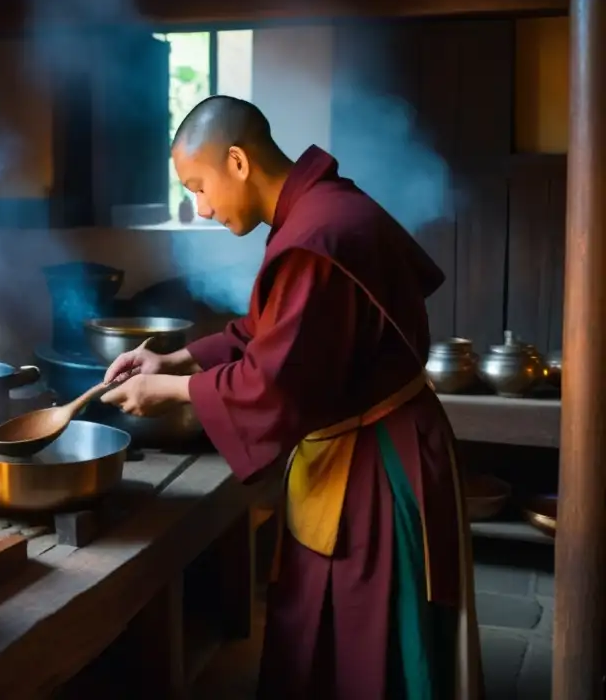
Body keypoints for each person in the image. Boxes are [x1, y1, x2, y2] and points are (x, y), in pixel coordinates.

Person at [102, 96, 482, 699]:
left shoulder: (316, 238)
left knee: (365, 644)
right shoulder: (319, 211)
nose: (200, 208)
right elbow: (272, 332)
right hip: (369, 449)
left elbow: (271, 382)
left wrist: (169, 391)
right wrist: (175, 357)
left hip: (374, 470)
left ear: (237, 161)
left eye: (199, 188)